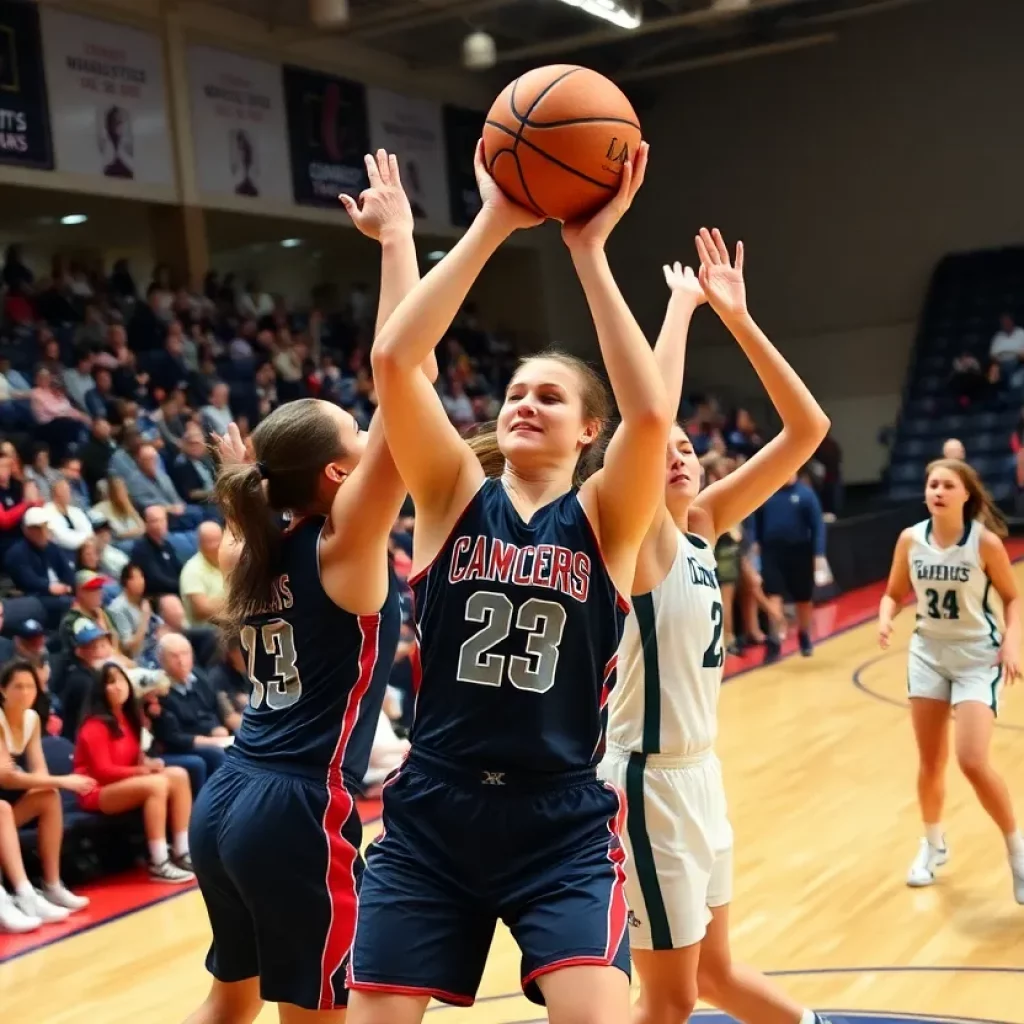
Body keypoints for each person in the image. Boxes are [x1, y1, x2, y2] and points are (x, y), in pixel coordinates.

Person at [347, 141, 667, 1024]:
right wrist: (494, 218)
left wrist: (589, 253)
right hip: (434, 811)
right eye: (516, 391)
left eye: (550, 398)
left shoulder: (606, 518)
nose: (524, 402)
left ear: (587, 430)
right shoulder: (452, 495)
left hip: (558, 818)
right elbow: (396, 364)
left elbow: (651, 413)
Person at [185, 149, 433, 1024]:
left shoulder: (260, 540)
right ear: (335, 476)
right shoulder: (342, 542)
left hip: (225, 797)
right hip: (293, 810)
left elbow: (388, 398)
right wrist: (398, 241)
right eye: (360, 443)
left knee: (230, 1002)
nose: (377, 442)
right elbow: (404, 374)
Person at [597, 232, 831, 1024]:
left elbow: (807, 431)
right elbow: (649, 413)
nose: (680, 454)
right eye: (664, 449)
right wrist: (678, 310)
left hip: (700, 775)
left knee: (718, 974)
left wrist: (737, 317)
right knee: (666, 1003)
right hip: (645, 781)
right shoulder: (638, 538)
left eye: (691, 448)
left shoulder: (700, 526)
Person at [878, 458, 1024, 902]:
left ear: (966, 494)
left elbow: (1013, 599)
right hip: (928, 656)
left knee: (972, 760)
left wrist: (1013, 645)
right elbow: (893, 592)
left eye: (947, 485)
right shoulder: (910, 540)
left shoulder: (984, 543)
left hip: (978, 657)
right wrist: (886, 618)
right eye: (932, 484)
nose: (937, 491)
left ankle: (1017, 851)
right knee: (930, 762)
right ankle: (933, 844)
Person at [73, 661, 195, 883]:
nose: (118, 686)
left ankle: (182, 850)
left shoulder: (129, 719)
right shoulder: (94, 725)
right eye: (110, 682)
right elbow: (103, 771)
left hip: (121, 784)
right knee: (155, 784)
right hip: (95, 791)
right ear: (100, 690)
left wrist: (148, 763)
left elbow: (131, 759)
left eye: (120, 680)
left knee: (178, 774)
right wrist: (142, 771)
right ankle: (159, 861)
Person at [0, 660, 93, 923]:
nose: (25, 692)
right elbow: (5, 779)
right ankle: (22, 894)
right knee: (3, 809)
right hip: (3, 806)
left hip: (8, 808)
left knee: (49, 797)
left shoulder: (31, 719)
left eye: (30, 686)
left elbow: (39, 775)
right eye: (18, 686)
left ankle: (52, 885)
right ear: (3, 690)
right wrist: (64, 780)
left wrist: (27, 776)